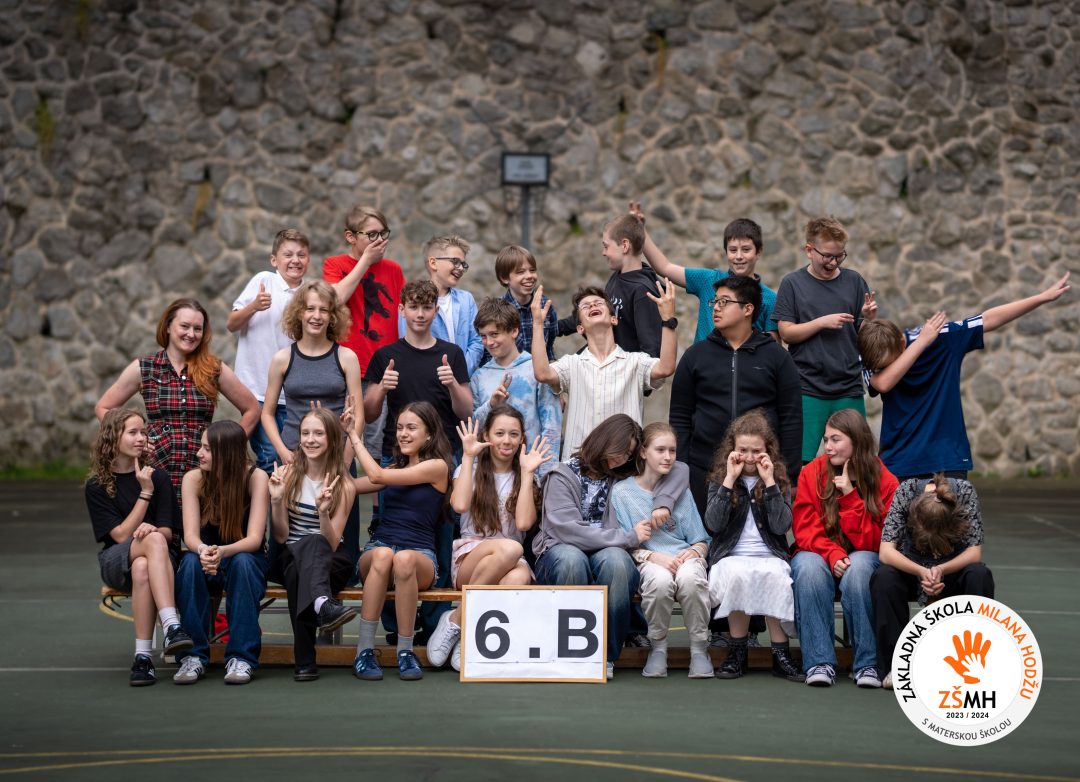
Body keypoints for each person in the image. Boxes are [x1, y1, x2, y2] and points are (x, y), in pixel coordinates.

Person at [859, 272, 1071, 480]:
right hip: (898, 464)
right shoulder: (869, 351)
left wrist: (1041, 298)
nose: (891, 368)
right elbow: (883, 384)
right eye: (883, 367)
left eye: (892, 363)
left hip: (946, 461)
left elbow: (988, 319)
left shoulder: (942, 338)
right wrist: (920, 341)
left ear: (901, 343)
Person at [532, 414, 689, 679]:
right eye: (619, 451)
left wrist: (663, 503)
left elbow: (680, 469)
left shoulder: (623, 473)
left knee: (617, 562)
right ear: (603, 442)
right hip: (561, 550)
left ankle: (605, 655)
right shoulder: (562, 474)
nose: (622, 459)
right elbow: (567, 531)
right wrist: (627, 538)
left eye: (628, 454)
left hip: (607, 551)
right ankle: (567, 650)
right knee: (572, 560)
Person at [364, 280, 471, 638]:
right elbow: (369, 412)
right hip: (397, 456)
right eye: (414, 307)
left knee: (440, 536)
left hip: (442, 458)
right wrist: (382, 387)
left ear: (436, 311)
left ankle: (435, 622)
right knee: (389, 532)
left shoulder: (451, 354)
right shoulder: (386, 356)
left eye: (427, 308)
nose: (420, 314)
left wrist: (452, 383)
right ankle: (395, 625)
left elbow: (466, 410)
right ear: (402, 310)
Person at [95, 298, 259, 504]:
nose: (191, 334)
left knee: (202, 523)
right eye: (185, 326)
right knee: (158, 523)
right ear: (168, 327)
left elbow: (252, 409)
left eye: (197, 329)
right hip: (157, 467)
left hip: (202, 468)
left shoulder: (213, 369)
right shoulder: (145, 368)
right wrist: (134, 441)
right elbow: (104, 407)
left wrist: (227, 447)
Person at [426, 408, 552, 671]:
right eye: (500, 433)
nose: (507, 440)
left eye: (514, 434)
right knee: (512, 548)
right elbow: (459, 505)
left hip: (510, 560)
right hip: (469, 558)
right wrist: (468, 456)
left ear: (522, 439)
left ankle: (464, 627)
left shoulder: (526, 475)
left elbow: (524, 524)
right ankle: (458, 621)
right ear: (486, 436)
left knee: (518, 577)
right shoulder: (468, 469)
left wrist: (527, 473)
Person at [669, 274, 802, 516]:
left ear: (748, 309)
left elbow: (791, 417)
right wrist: (681, 469)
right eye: (714, 302)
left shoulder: (777, 357)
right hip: (704, 470)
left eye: (724, 302)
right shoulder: (695, 356)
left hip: (761, 471)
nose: (715, 308)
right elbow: (679, 417)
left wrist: (790, 474)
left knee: (759, 536)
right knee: (706, 534)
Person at [346, 400, 454, 682]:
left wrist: (354, 435)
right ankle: (364, 651)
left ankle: (405, 651)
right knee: (384, 554)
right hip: (379, 552)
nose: (403, 434)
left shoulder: (437, 467)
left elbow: (376, 475)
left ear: (429, 434)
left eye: (411, 428)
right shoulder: (395, 467)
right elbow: (350, 486)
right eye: (400, 428)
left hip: (419, 557)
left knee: (403, 559)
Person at [790, 408, 898, 688]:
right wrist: (832, 553)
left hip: (863, 556)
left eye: (836, 439)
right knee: (807, 567)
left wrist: (850, 496)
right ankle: (819, 662)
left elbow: (880, 540)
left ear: (856, 440)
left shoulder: (885, 479)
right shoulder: (811, 473)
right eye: (826, 439)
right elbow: (804, 529)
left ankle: (867, 664)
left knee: (860, 566)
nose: (828, 446)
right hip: (821, 554)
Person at [85, 408, 190, 686]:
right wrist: (145, 493)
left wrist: (151, 529)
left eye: (144, 432)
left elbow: (167, 532)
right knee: (149, 543)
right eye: (133, 432)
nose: (141, 438)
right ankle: (172, 625)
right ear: (113, 437)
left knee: (144, 565)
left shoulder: (158, 476)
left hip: (159, 560)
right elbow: (120, 536)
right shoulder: (97, 485)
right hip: (116, 561)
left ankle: (143, 658)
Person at [702, 411, 804, 683]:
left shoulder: (777, 479)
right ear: (732, 449)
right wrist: (729, 481)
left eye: (756, 451)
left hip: (769, 553)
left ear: (767, 451)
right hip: (731, 554)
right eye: (743, 450)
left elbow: (782, 526)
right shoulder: (720, 478)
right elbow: (713, 524)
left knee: (775, 575)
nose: (749, 457)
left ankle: (781, 655)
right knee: (738, 574)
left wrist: (770, 483)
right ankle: (737, 652)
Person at [531, 281, 677, 461]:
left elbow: (666, 368)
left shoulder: (635, 362)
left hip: (624, 467)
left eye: (599, 303)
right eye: (585, 306)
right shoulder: (572, 364)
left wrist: (668, 319)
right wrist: (537, 324)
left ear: (613, 319)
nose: (592, 305)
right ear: (580, 328)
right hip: (579, 466)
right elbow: (542, 373)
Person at [872, 474, 994, 689]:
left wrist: (940, 569)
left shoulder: (965, 493)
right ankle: (896, 665)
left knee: (979, 575)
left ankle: (972, 663)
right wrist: (921, 571)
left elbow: (974, 552)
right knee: (884, 578)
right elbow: (886, 551)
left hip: (952, 567)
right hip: (912, 566)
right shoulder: (906, 492)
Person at [610, 422, 712, 679]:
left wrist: (695, 552)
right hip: (648, 561)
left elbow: (701, 539)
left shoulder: (681, 492)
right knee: (659, 581)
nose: (668, 457)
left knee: (691, 580)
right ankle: (658, 648)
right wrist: (651, 556)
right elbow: (622, 543)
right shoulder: (622, 493)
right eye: (660, 450)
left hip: (684, 557)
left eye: (672, 451)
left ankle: (699, 649)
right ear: (643, 452)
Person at [772, 217, 877, 463]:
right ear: (809, 250)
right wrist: (821, 323)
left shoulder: (854, 281)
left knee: (858, 461)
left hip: (848, 387)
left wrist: (869, 319)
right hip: (807, 388)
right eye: (827, 256)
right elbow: (786, 333)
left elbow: (864, 337)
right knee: (800, 462)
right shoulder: (792, 283)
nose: (833, 262)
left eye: (839, 256)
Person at [173, 421, 269, 686]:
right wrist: (204, 550)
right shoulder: (193, 479)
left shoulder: (256, 477)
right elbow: (190, 535)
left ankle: (242, 657)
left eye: (207, 449)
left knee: (243, 563)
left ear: (226, 453)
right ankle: (192, 656)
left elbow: (254, 539)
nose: (199, 453)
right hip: (206, 559)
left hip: (243, 557)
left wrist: (222, 552)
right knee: (189, 563)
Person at [268, 407, 358, 682]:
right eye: (305, 433)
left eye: (318, 433)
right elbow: (281, 536)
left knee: (314, 546)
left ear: (331, 438)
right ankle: (322, 604)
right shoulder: (287, 474)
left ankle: (305, 663)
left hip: (330, 560)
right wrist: (276, 500)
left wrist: (322, 513)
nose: (310, 439)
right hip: (290, 556)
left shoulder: (344, 485)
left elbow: (331, 542)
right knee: (299, 568)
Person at [630, 202, 779, 342]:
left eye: (746, 250)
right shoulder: (708, 279)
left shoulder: (770, 299)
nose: (739, 256)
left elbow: (772, 349)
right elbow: (664, 267)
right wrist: (640, 230)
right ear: (726, 252)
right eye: (733, 250)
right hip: (703, 360)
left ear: (758, 252)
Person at [323, 205, 404, 458]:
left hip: (383, 368)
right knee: (341, 438)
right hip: (346, 366)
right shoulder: (335, 264)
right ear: (351, 237)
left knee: (376, 444)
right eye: (371, 234)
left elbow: (401, 314)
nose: (379, 240)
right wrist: (365, 261)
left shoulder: (393, 269)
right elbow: (334, 299)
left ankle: (377, 483)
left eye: (383, 233)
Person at [227, 228, 311, 473]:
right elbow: (232, 324)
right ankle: (265, 498)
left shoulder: (309, 294)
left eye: (301, 255)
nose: (295, 260)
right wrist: (253, 306)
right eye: (288, 254)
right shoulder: (264, 281)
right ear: (274, 260)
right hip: (257, 390)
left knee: (295, 459)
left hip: (294, 393)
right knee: (269, 456)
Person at [261, 280, 363, 465]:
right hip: (293, 456)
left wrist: (345, 463)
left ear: (332, 316)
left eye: (324, 310)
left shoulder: (347, 358)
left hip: (336, 457)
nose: (316, 316)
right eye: (310, 309)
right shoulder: (281, 359)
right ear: (299, 312)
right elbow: (267, 414)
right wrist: (283, 452)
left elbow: (359, 417)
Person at [470, 297, 561, 476]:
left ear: (514, 331)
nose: (489, 342)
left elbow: (551, 426)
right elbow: (475, 430)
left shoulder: (537, 370)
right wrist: (491, 405)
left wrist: (545, 476)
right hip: (492, 475)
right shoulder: (479, 377)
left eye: (494, 334)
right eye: (483, 336)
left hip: (532, 472)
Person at [400, 235, 483, 375]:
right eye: (455, 261)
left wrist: (460, 373)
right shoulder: (412, 300)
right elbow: (407, 343)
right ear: (433, 263)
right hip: (428, 379)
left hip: (462, 380)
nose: (460, 268)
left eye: (463, 264)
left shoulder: (466, 299)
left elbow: (476, 342)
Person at [602, 213, 662, 357]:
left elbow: (651, 351)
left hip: (631, 369)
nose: (603, 253)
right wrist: (558, 327)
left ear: (624, 245)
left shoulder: (643, 291)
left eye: (606, 246)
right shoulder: (616, 277)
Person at [491, 244, 559, 362]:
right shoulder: (496, 311)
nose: (529, 276)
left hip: (541, 370)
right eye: (520, 272)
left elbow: (549, 346)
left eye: (532, 270)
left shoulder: (545, 305)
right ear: (504, 278)